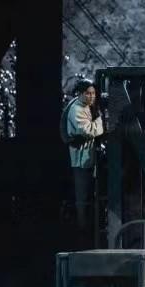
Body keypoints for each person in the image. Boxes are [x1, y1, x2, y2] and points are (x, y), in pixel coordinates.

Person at [63, 79, 104, 246]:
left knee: (88, 197)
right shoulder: (76, 109)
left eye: (93, 93)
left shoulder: (86, 107)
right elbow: (89, 131)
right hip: (79, 160)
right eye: (88, 93)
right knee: (82, 198)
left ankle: (87, 232)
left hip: (87, 158)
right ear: (80, 94)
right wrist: (99, 120)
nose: (91, 96)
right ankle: (82, 234)